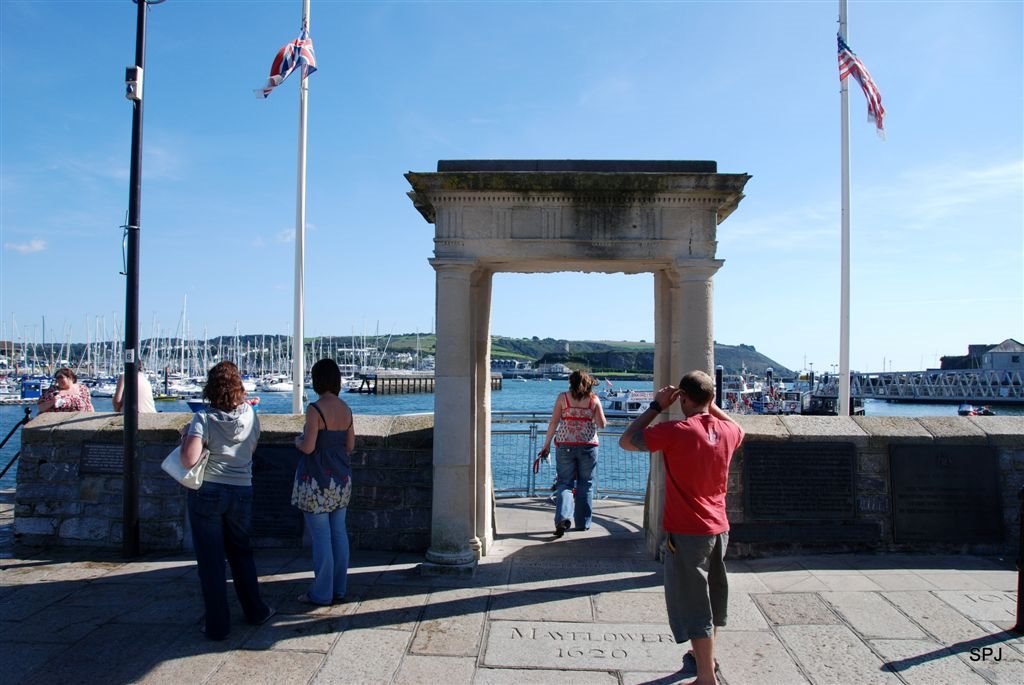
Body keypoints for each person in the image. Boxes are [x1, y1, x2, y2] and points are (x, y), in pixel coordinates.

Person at [618, 370, 744, 685]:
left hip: (688, 531)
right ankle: (705, 658)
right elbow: (739, 427)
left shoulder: (677, 431)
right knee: (711, 597)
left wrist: (656, 406)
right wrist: (710, 404)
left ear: (683, 398)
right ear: (712, 398)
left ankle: (705, 677)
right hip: (719, 528)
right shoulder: (728, 432)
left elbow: (627, 441)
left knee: (693, 602)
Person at [180, 360, 273, 640]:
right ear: (238, 387)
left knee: (211, 561)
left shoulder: (203, 419)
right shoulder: (251, 416)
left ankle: (217, 624)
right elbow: (251, 449)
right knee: (241, 553)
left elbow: (188, 460)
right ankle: (255, 610)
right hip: (242, 489)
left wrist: (187, 436)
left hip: (208, 491)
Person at [292, 358, 355, 605]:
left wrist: (297, 442)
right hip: (341, 480)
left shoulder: (315, 409)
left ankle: (321, 593)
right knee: (339, 534)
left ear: (317, 380)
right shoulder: (346, 409)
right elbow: (350, 446)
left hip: (318, 481)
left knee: (321, 537)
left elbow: (308, 447)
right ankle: (339, 588)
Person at [536, 369, 608, 537]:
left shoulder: (563, 398)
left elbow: (554, 422)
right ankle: (582, 523)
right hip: (588, 446)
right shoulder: (594, 400)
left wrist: (546, 445)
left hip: (564, 444)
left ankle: (563, 518)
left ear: (571, 382)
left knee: (565, 483)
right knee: (586, 484)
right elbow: (602, 424)